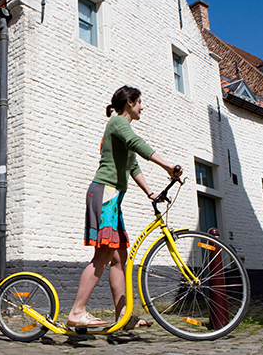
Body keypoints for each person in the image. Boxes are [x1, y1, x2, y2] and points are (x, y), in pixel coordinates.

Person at [66, 86, 183, 329]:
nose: (142, 107)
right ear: (129, 102)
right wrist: (167, 166)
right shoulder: (118, 123)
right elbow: (136, 142)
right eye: (140, 102)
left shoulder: (122, 130)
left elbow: (133, 167)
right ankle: (77, 312)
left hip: (113, 197)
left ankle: (122, 317)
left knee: (120, 258)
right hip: (105, 193)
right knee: (104, 255)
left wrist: (150, 192)